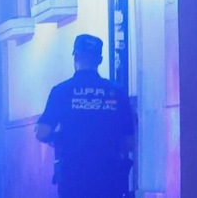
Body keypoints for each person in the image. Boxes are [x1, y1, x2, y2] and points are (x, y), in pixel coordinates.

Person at [35, 34, 135, 197]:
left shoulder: (61, 91)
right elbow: (129, 143)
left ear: (76, 55)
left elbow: (42, 133)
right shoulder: (118, 93)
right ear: (100, 60)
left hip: (73, 178)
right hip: (109, 178)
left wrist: (57, 138)